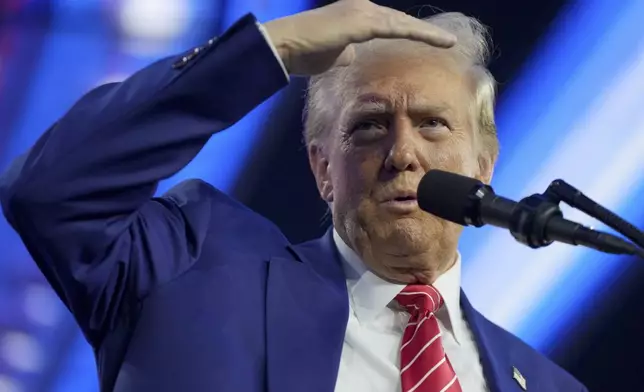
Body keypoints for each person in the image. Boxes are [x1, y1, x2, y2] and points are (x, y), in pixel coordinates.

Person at [0, 1, 587, 391]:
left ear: (484, 164)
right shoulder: (192, 266)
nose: (403, 153)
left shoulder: (548, 384)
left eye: (434, 124)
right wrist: (268, 49)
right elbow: (52, 190)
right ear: (322, 168)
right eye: (369, 126)